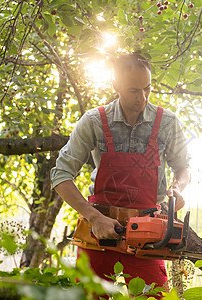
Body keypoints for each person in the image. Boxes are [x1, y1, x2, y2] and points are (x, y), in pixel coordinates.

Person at [51, 53, 191, 293]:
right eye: (134, 91)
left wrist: (177, 187)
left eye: (147, 88)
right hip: (99, 234)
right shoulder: (93, 121)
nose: (143, 97)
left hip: (148, 236)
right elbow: (60, 176)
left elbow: (183, 167)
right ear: (115, 86)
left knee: (156, 297)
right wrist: (94, 217)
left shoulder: (168, 122)